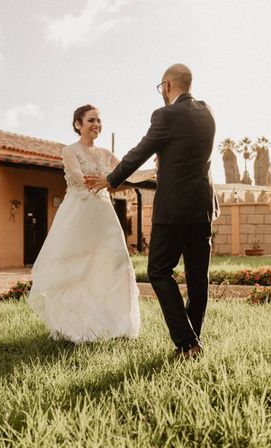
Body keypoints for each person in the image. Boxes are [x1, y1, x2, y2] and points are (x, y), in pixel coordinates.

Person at [86, 64, 218, 359]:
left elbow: (140, 150)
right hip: (203, 207)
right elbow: (187, 154)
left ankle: (187, 342)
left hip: (174, 210)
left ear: (168, 85)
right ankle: (192, 343)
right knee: (198, 278)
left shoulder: (166, 115)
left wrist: (111, 179)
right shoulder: (207, 111)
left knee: (158, 271)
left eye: (161, 88)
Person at [28, 105, 147, 343]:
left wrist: (154, 171)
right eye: (91, 120)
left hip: (104, 216)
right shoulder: (69, 151)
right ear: (77, 124)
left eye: (99, 121)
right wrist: (108, 181)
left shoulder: (105, 154)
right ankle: (76, 327)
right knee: (78, 267)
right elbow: (79, 178)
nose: (97, 125)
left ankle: (117, 324)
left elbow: (129, 176)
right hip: (79, 215)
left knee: (115, 263)